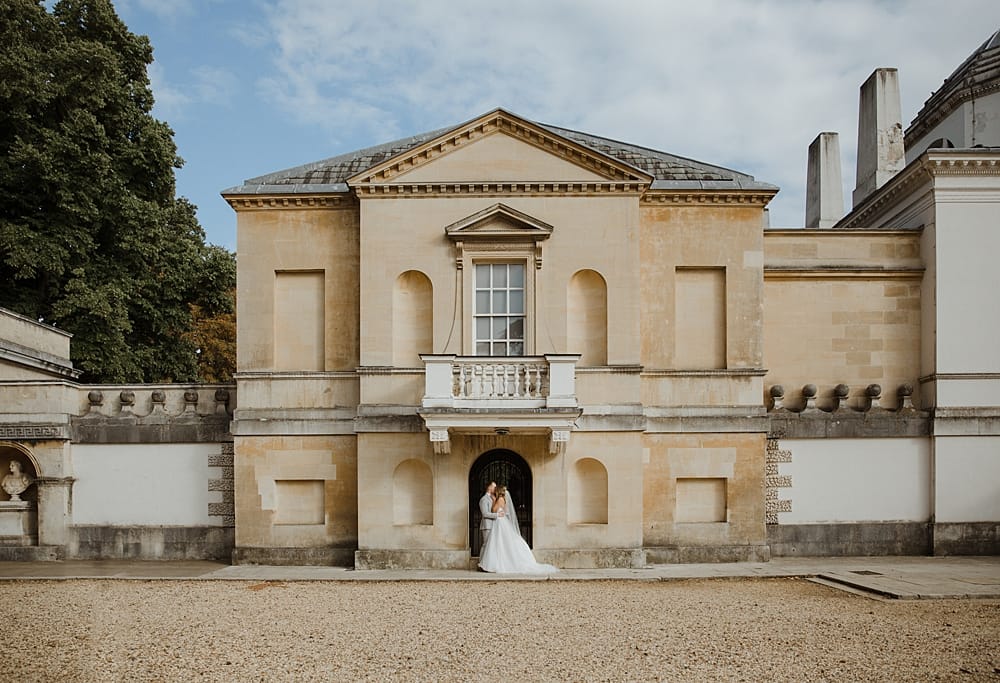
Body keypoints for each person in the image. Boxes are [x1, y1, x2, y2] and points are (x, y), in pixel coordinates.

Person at [478, 485, 557, 574]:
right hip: (499, 521)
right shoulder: (500, 499)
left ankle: (496, 564)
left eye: (496, 490)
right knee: (498, 543)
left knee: (499, 542)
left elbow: (493, 510)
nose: (494, 491)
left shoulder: (500, 499)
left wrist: (493, 501)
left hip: (500, 522)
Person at [478, 481, 503, 550]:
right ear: (489, 487)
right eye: (494, 487)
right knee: (486, 545)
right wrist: (497, 515)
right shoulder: (484, 499)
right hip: (487, 526)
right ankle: (482, 561)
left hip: (493, 525)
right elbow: (485, 514)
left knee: (492, 547)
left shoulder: (493, 498)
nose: (496, 488)